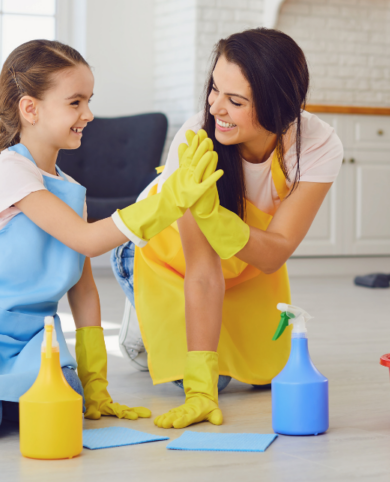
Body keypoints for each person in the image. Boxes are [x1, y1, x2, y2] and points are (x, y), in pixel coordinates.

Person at [0, 39, 223, 441]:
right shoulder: (8, 172)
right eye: (75, 102)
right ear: (30, 109)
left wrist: (95, 384)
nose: (89, 113)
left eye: (89, 100)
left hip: (32, 341)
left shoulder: (71, 191)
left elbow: (83, 290)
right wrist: (166, 202)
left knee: (66, 407)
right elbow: (86, 241)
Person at [112, 28, 344, 429]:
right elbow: (201, 271)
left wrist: (218, 220)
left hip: (243, 262)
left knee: (266, 373)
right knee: (213, 377)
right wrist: (200, 388)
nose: (215, 106)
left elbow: (275, 252)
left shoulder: (318, 145)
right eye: (214, 89)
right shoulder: (196, 138)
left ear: (279, 109)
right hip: (164, 258)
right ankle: (137, 337)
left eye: (235, 101)